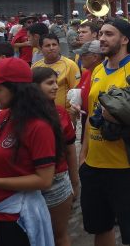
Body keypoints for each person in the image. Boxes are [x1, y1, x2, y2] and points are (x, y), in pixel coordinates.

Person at [0, 57, 64, 245]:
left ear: (17, 89)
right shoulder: (1, 117)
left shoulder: (38, 127)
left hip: (17, 217)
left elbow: (44, 180)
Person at [79, 19, 130, 246]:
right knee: (100, 227)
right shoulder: (97, 70)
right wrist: (83, 155)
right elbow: (91, 116)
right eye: (101, 33)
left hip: (125, 166)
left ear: (124, 39)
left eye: (109, 34)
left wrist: (120, 118)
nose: (102, 38)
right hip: (94, 165)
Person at [33, 67, 79, 246]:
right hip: (30, 182)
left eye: (56, 82)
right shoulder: (22, 114)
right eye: (49, 83)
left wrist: (74, 182)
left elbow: (69, 149)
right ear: (34, 87)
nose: (55, 87)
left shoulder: (59, 113)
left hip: (58, 182)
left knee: (58, 234)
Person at [32, 33, 81, 110]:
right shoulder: (35, 67)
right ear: (41, 49)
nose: (51, 48)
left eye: (54, 45)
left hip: (65, 115)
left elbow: (76, 92)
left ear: (59, 47)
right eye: (47, 46)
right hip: (41, 113)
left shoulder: (70, 65)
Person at [71, 40, 104, 142]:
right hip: (86, 119)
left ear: (95, 57)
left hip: (99, 123)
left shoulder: (104, 75)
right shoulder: (86, 73)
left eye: (83, 55)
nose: (80, 58)